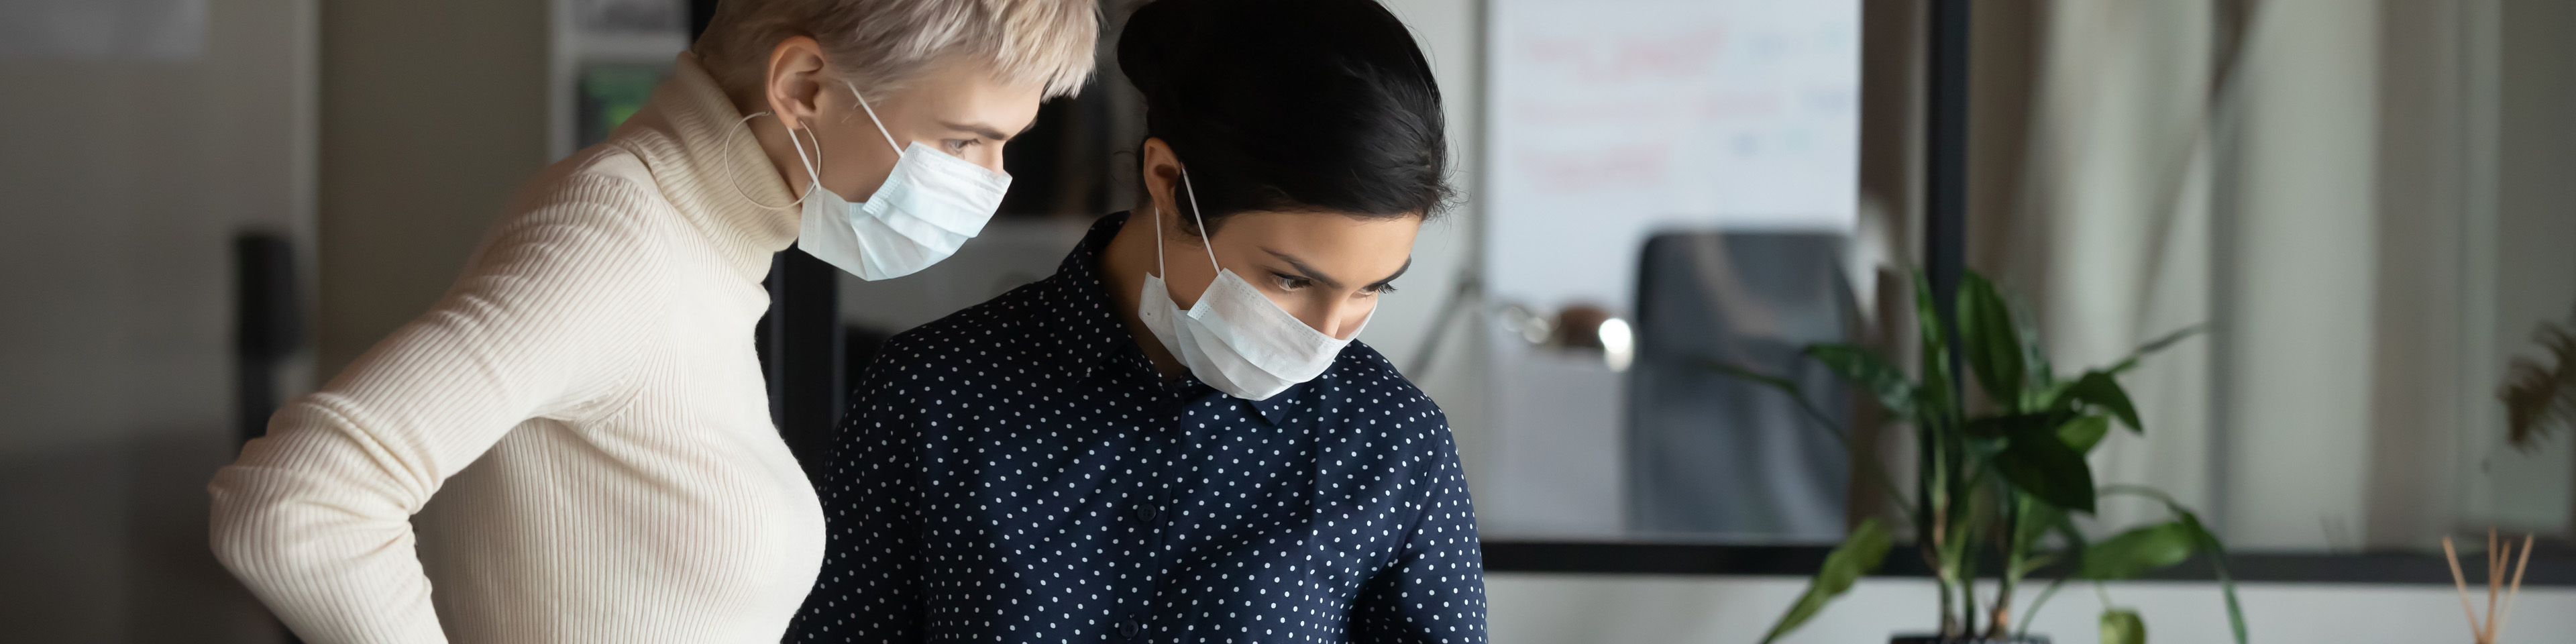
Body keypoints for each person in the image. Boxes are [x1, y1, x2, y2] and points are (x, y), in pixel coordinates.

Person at [206, 1, 1097, 642]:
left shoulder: (699, 237)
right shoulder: (618, 240)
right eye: (962, 141)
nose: (989, 180)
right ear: (805, 84)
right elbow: (302, 501)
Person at [789, 1, 1486, 642]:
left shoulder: (1391, 442)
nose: (1327, 332)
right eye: (1291, 279)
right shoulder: (933, 396)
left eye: (1371, 290)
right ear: (1166, 181)